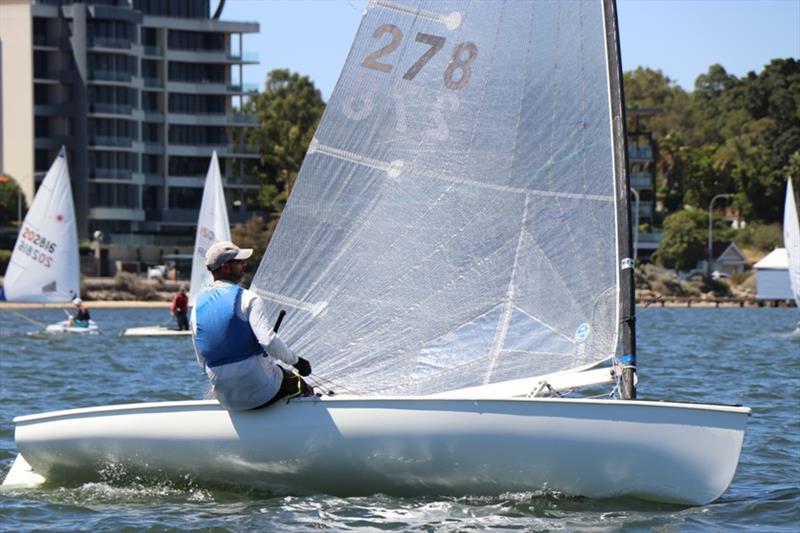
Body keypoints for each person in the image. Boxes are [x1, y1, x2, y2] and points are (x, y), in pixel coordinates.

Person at [191, 240, 314, 411]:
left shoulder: (196, 307)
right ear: (226, 267)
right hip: (261, 388)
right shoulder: (249, 298)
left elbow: (201, 358)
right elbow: (268, 341)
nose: (244, 264)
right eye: (239, 262)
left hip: (226, 397)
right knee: (300, 385)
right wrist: (298, 362)